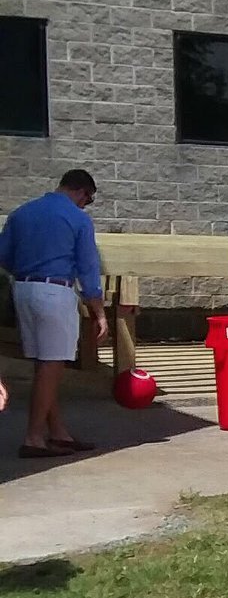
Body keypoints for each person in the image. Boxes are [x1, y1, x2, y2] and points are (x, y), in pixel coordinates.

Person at [0, 169, 107, 457]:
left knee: (43, 364)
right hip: (55, 290)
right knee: (53, 364)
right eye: (88, 199)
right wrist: (99, 312)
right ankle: (34, 437)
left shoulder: (22, 213)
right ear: (83, 192)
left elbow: (4, 255)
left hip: (22, 288)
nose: (86, 205)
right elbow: (88, 268)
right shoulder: (78, 219)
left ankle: (58, 432)